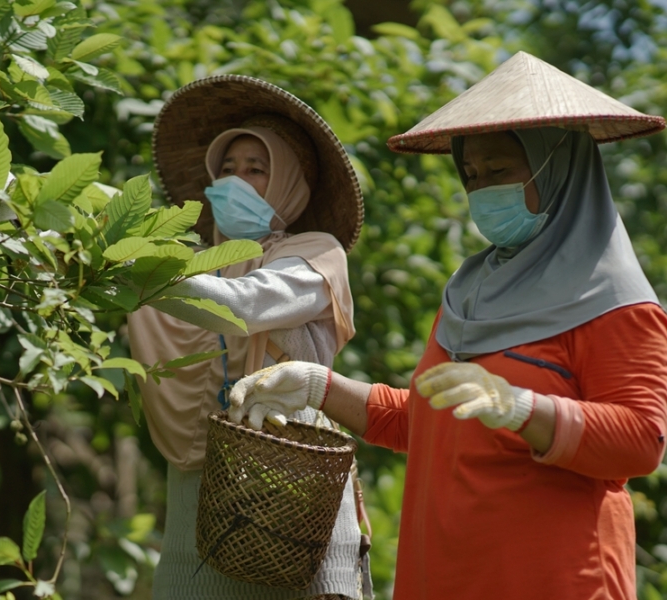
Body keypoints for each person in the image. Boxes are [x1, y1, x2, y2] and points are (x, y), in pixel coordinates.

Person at [228, 51, 667, 600]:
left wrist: (524, 408)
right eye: (472, 176)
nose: (482, 190)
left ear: (558, 167)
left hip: (553, 578)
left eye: (500, 171)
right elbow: (435, 420)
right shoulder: (470, 290)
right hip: (443, 574)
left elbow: (640, 442)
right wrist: (320, 386)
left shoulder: (615, 304)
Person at [126, 75, 369, 599]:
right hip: (199, 486)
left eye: (256, 170)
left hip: (292, 473)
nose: (235, 182)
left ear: (290, 184)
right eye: (227, 170)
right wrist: (35, 232)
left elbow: (242, 306)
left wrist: (123, 261)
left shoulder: (315, 254)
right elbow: (100, 287)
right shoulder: (189, 269)